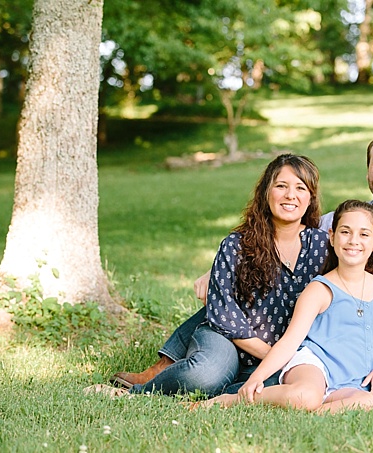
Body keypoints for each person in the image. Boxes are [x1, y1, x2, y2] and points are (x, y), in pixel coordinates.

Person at [193, 130, 373, 360]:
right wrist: (221, 269)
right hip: (344, 331)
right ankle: (170, 362)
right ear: (368, 171)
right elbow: (281, 232)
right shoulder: (337, 224)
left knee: (227, 299)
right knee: (229, 292)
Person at [99, 154, 329, 397]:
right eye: (281, 186)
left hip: (284, 352)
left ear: (310, 197)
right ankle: (138, 392)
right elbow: (226, 317)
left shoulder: (323, 247)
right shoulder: (236, 245)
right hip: (228, 340)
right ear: (266, 193)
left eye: (300, 188)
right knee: (205, 376)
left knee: (285, 387)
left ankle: (223, 393)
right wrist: (276, 357)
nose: (290, 195)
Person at [201, 200, 373, 413]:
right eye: (345, 232)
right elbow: (289, 342)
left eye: (364, 234)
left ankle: (314, 411)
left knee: (370, 403)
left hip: (353, 379)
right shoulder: (320, 289)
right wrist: (257, 377)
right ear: (332, 237)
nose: (353, 241)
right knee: (305, 395)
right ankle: (236, 398)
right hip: (314, 366)